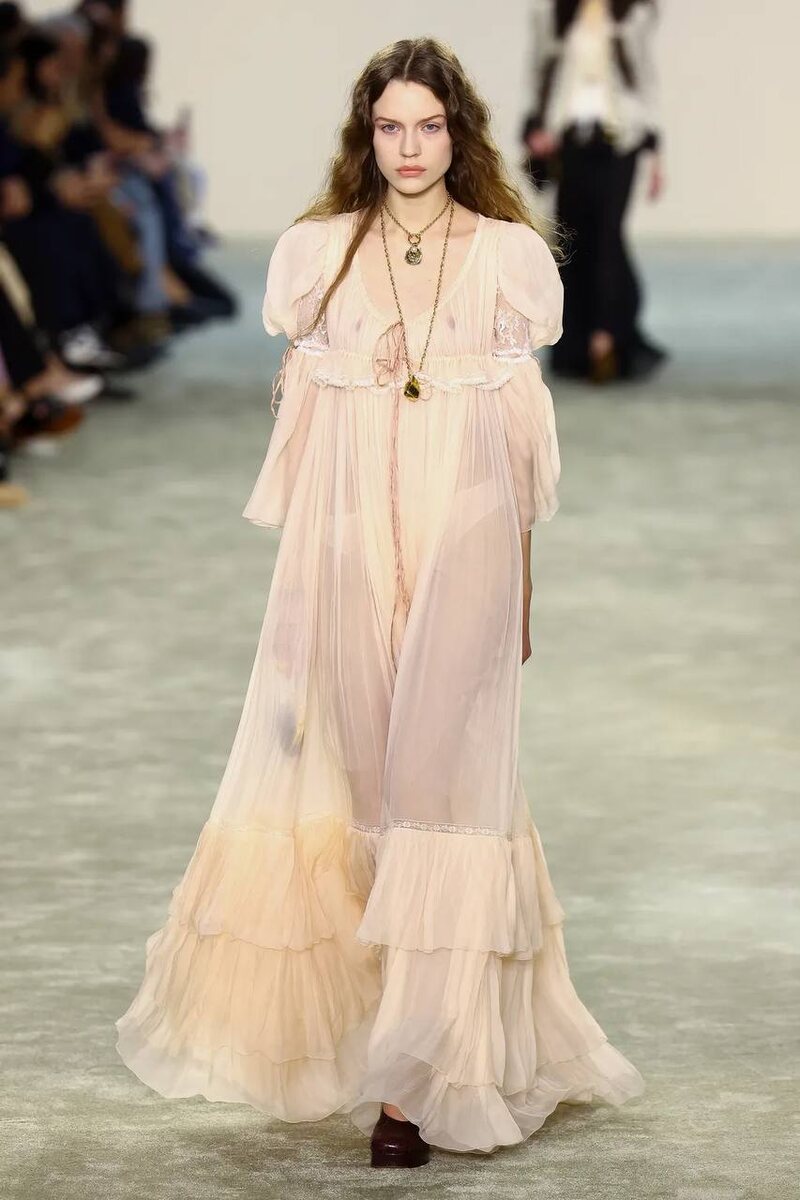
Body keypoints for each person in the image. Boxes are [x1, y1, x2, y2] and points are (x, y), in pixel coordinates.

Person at [115, 36, 645, 1166]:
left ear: (460, 133)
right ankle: (383, 1045)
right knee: (363, 799)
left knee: (440, 801)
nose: (410, 148)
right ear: (367, 135)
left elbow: (517, 449)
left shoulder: (508, 259)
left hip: (468, 545)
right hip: (352, 550)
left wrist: (519, 596)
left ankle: (414, 1088)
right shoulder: (318, 256)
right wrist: (300, 609)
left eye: (429, 126)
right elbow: (307, 448)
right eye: (390, 126)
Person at [522, 0, 667, 382]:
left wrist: (655, 151)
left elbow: (645, 78)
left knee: (607, 236)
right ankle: (576, 343)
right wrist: (534, 126)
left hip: (621, 140)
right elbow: (539, 70)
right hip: (570, 140)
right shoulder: (554, 14)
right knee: (571, 238)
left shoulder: (632, 14)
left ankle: (606, 340)